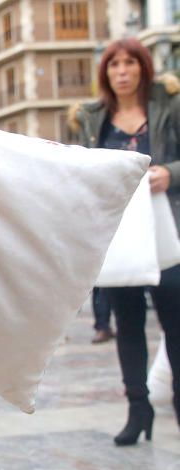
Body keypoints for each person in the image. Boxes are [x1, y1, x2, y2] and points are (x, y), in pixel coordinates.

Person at [71, 38, 179, 445]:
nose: (121, 71)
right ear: (106, 72)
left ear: (143, 68)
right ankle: (138, 408)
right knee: (128, 326)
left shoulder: (170, 108)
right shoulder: (90, 118)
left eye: (130, 62)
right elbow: (81, 172)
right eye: (114, 64)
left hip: (170, 233)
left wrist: (170, 172)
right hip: (119, 238)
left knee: (175, 325)